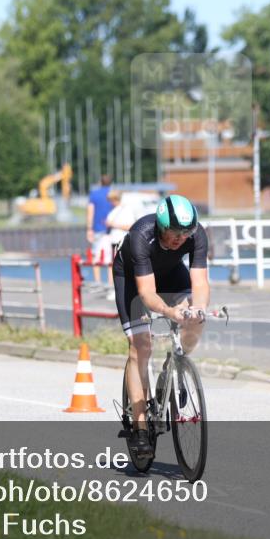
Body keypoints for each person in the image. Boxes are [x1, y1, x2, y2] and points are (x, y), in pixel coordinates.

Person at [112, 194, 209, 457]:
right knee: (141, 347)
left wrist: (195, 310)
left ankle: (173, 367)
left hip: (170, 273)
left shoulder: (197, 234)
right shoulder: (140, 237)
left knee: (197, 319)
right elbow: (147, 294)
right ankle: (140, 427)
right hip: (133, 280)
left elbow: (199, 282)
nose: (180, 239)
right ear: (161, 227)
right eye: (174, 233)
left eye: (185, 233)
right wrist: (169, 311)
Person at [85, 174, 114, 286]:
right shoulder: (113, 194)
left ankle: (97, 282)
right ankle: (110, 283)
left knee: (96, 255)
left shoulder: (94, 194)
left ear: (100, 182)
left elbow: (90, 212)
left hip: (97, 229)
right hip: (111, 229)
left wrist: (89, 229)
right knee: (110, 257)